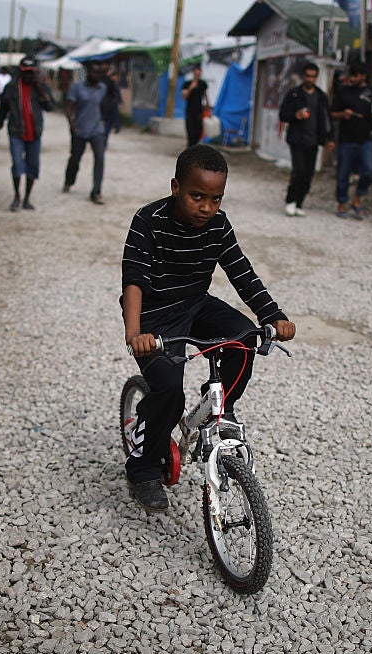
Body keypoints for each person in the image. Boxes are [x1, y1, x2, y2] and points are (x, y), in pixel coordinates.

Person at [120, 145, 296, 512]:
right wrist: (134, 332)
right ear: (175, 187)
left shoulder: (218, 224)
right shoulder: (149, 220)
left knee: (245, 337)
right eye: (196, 196)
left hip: (195, 303)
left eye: (215, 199)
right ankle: (142, 468)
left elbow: (242, 274)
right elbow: (133, 279)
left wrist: (274, 316)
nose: (206, 207)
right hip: (154, 315)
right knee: (169, 392)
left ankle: (222, 410)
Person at [0, 55, 54, 211]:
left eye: (31, 72)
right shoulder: (11, 87)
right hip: (16, 133)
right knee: (18, 165)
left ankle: (27, 198)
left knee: (33, 166)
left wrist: (40, 90)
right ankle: (16, 196)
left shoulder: (40, 87)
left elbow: (50, 106)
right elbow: (3, 110)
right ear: (20, 71)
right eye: (25, 72)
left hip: (35, 134)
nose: (28, 76)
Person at [278, 62, 335, 217]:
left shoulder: (321, 96)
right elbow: (282, 114)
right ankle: (290, 200)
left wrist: (330, 138)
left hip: (314, 140)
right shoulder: (294, 94)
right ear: (303, 76)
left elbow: (327, 119)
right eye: (308, 76)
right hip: (297, 139)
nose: (310, 79)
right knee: (299, 170)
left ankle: (300, 202)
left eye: (313, 76)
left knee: (308, 173)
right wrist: (295, 115)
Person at [331, 61, 372, 219]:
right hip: (346, 139)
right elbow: (332, 114)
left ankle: (357, 200)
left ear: (364, 76)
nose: (351, 78)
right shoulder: (343, 92)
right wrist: (343, 114)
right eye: (351, 75)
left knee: (368, 170)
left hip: (365, 139)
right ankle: (342, 203)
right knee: (343, 172)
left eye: (355, 76)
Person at [63, 60, 109, 204]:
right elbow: (69, 107)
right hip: (80, 129)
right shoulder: (77, 88)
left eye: (99, 73)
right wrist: (72, 125)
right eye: (94, 72)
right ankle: (69, 181)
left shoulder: (102, 88)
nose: (97, 75)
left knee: (100, 159)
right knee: (75, 158)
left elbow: (103, 106)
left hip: (97, 130)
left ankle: (96, 191)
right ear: (88, 73)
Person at [181, 64, 211, 148]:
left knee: (198, 131)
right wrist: (191, 88)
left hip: (199, 111)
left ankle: (194, 146)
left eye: (199, 74)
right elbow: (183, 96)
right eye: (196, 74)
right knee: (190, 131)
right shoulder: (187, 84)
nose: (197, 76)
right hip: (190, 111)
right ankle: (189, 147)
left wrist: (208, 110)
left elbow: (206, 97)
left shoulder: (202, 84)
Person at [101, 65, 122, 147]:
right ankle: (104, 141)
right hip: (108, 106)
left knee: (107, 124)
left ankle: (104, 141)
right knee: (107, 125)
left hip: (106, 107)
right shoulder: (108, 82)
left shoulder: (104, 81)